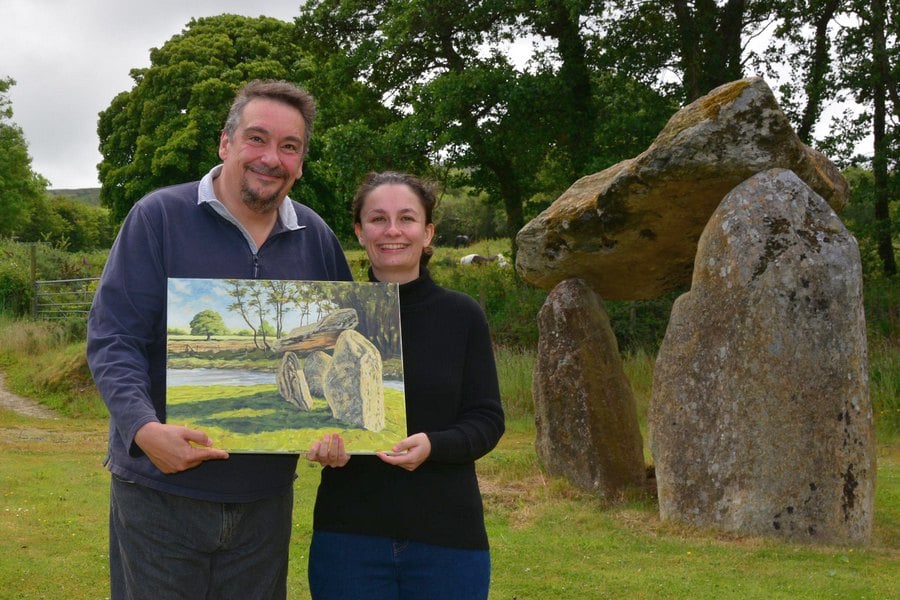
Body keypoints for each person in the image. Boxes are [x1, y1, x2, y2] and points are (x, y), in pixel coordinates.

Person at [87, 79, 353, 600]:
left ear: (300, 162)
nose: (271, 158)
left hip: (265, 503)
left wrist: (344, 429)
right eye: (257, 138)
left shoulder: (316, 238)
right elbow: (114, 338)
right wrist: (142, 429)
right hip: (160, 494)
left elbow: (338, 344)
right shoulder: (159, 217)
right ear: (226, 143)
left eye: (289, 146)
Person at [306, 171, 506, 599]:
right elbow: (315, 406)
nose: (392, 230)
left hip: (448, 538)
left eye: (407, 218)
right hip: (348, 538)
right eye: (377, 219)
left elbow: (487, 419)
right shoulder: (338, 316)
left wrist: (434, 446)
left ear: (428, 232)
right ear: (360, 232)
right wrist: (320, 441)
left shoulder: (462, 315)